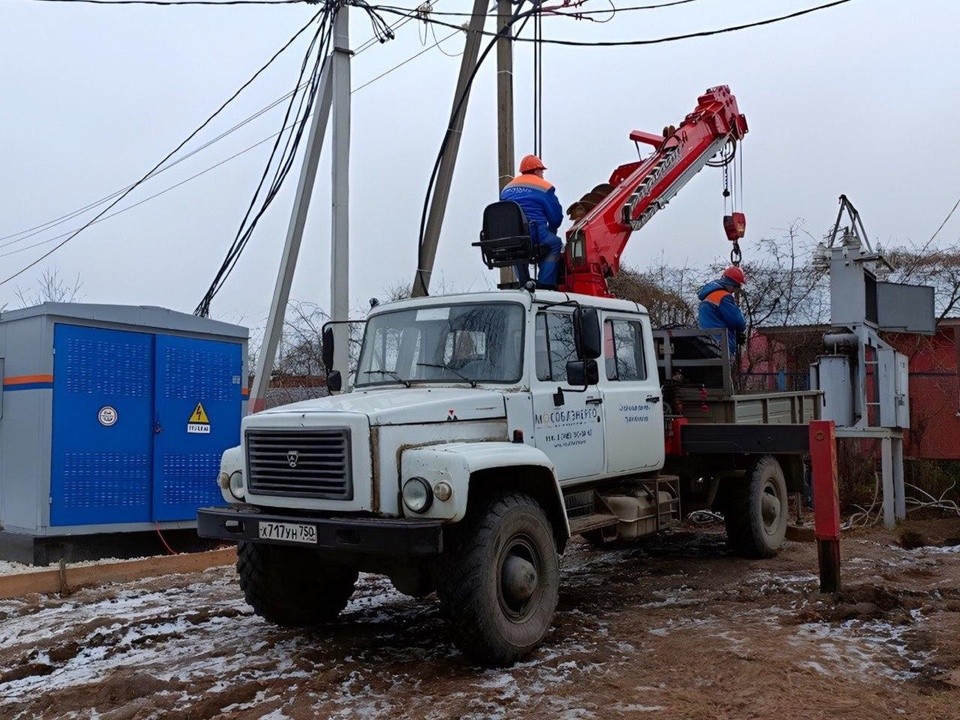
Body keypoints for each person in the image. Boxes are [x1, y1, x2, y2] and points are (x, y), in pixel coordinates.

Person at [500, 154, 564, 289]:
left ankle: (524, 281)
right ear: (537, 171)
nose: (542, 174)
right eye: (542, 171)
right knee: (555, 243)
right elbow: (556, 219)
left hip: (512, 236)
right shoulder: (544, 187)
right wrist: (551, 231)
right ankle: (545, 284)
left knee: (517, 245)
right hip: (535, 232)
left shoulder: (507, 189)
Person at [697, 266, 747, 357]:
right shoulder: (724, 297)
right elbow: (739, 323)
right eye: (736, 287)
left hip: (705, 344)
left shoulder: (707, 297)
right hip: (721, 346)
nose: (734, 291)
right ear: (731, 284)